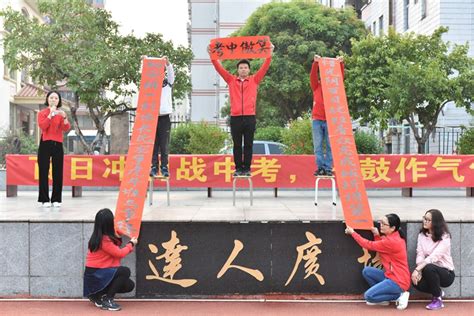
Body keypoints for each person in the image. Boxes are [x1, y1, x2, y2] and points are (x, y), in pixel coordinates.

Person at [209, 45, 273, 177]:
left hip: (250, 117)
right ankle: (238, 168)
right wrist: (212, 56)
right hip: (236, 117)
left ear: (249, 70)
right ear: (237, 70)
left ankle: (247, 169)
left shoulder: (254, 80)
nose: (243, 69)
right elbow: (219, 68)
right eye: (241, 68)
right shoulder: (231, 80)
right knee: (237, 145)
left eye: (245, 67)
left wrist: (270, 53)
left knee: (248, 145)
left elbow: (265, 67)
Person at [345, 213, 411, 310]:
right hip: (391, 276)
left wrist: (353, 233)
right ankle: (383, 299)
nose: (381, 225)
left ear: (392, 228)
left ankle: (399, 295)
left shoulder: (392, 241)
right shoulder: (394, 237)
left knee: (369, 296)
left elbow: (368, 244)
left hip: (398, 281)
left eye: (384, 224)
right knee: (367, 271)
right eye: (381, 222)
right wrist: (376, 235)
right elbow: (383, 249)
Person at [84, 208, 137, 311]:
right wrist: (131, 244)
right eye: (112, 220)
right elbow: (119, 253)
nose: (114, 221)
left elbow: (115, 245)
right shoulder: (104, 240)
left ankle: (97, 295)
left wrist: (120, 234)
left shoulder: (99, 236)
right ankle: (108, 300)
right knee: (125, 271)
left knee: (129, 285)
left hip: (97, 275)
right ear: (108, 223)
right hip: (96, 275)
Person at [412, 209, 455, 310]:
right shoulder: (422, 235)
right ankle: (438, 292)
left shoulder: (445, 237)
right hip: (428, 270)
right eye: (424, 218)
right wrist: (419, 271)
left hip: (446, 273)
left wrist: (418, 269)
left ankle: (437, 300)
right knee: (415, 281)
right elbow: (420, 254)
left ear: (436, 222)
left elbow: (434, 256)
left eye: (428, 220)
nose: (425, 221)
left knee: (429, 267)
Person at [310, 55, 344, 177]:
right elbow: (312, 76)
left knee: (330, 145)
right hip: (317, 120)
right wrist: (315, 63)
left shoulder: (334, 87)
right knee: (318, 145)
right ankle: (320, 167)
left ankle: (328, 167)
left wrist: (340, 64)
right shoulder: (316, 85)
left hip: (331, 119)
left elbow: (340, 78)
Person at [37, 91, 70, 208]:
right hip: (45, 143)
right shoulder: (42, 113)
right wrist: (50, 114)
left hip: (58, 144)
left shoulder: (61, 114)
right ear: (47, 99)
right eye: (51, 98)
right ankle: (44, 199)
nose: (53, 100)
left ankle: (56, 199)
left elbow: (66, 128)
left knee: (58, 172)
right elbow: (43, 126)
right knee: (43, 171)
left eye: (56, 98)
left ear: (59, 101)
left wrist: (64, 116)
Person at [150, 56, 174, 178]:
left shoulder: (168, 84)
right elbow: (145, 74)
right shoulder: (149, 85)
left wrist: (167, 63)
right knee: (154, 144)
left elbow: (171, 72)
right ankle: (154, 166)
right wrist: (145, 62)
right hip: (152, 118)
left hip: (164, 118)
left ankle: (164, 167)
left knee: (164, 144)